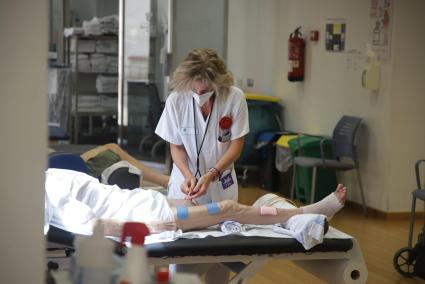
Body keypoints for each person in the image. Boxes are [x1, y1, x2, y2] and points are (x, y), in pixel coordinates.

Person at [44, 168, 346, 237]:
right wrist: (152, 227)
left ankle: (279, 212)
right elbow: (91, 225)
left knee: (217, 201)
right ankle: (309, 212)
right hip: (154, 214)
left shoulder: (48, 174)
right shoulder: (47, 190)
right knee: (227, 209)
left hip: (147, 201)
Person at [155, 48, 249, 204]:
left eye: (205, 90)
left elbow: (237, 145)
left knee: (224, 225)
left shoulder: (234, 98)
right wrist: (187, 175)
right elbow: (176, 147)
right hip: (185, 185)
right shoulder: (176, 100)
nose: (199, 93)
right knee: (183, 226)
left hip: (221, 183)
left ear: (218, 83)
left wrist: (212, 173)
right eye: (194, 88)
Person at [79, 143, 169, 188]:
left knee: (112, 149)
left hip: (72, 167)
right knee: (111, 151)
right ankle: (165, 181)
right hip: (73, 169)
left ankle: (163, 181)